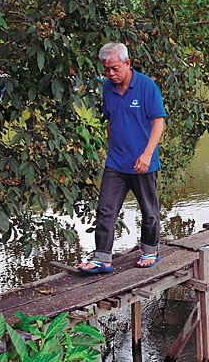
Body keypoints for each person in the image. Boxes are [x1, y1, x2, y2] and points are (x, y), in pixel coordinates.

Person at [78, 43, 166, 273]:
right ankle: (102, 258)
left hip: (142, 161)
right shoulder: (107, 88)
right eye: (106, 70)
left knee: (149, 210)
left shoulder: (146, 86)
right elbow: (111, 120)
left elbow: (159, 122)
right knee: (106, 208)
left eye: (115, 68)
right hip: (116, 161)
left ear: (128, 63)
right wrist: (111, 148)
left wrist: (147, 155)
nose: (110, 74)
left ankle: (149, 250)